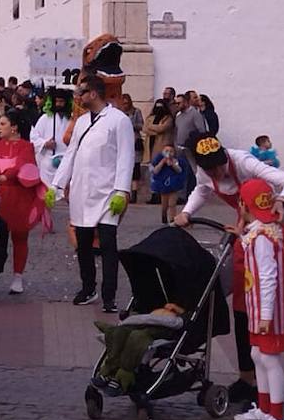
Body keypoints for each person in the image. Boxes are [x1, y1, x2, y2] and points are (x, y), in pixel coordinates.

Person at [174, 133, 284, 408]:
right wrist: (186, 212)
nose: (217, 171)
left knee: (265, 300)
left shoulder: (244, 161)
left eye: (219, 164)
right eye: (211, 167)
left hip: (275, 231)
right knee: (242, 306)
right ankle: (247, 378)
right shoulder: (205, 172)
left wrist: (282, 200)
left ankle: (267, 378)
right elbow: (202, 189)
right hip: (246, 230)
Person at [48, 77, 135, 311]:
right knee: (83, 244)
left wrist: (122, 190)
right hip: (82, 192)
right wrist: (56, 185)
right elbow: (71, 154)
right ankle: (88, 287)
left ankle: (109, 295)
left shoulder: (119, 120)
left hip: (108, 193)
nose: (78, 96)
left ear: (94, 94)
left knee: (108, 244)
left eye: (82, 92)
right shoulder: (82, 122)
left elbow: (126, 156)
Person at [231, 179, 284, 420]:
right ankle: (265, 408)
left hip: (268, 310)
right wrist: (241, 236)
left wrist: (266, 315)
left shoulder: (262, 238)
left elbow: (267, 275)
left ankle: (277, 415)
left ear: (244, 204)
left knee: (268, 357)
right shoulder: (261, 232)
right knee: (258, 354)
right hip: (260, 307)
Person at [0, 111, 44, 294]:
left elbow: (25, 165)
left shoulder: (26, 146)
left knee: (20, 237)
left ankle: (18, 276)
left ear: (14, 127)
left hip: (19, 197)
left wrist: (5, 176)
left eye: (3, 124)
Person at [30, 89, 71, 188]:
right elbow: (33, 137)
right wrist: (45, 143)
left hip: (66, 163)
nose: (58, 104)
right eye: (56, 101)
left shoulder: (72, 120)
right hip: (48, 163)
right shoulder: (45, 118)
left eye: (61, 102)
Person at [149, 144, 186, 225]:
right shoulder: (159, 160)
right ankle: (164, 216)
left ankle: (172, 219)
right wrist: (162, 162)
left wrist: (172, 164)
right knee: (164, 204)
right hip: (163, 185)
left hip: (174, 185)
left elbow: (179, 170)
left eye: (171, 151)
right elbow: (155, 171)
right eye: (166, 151)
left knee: (172, 204)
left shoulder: (176, 161)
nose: (169, 153)